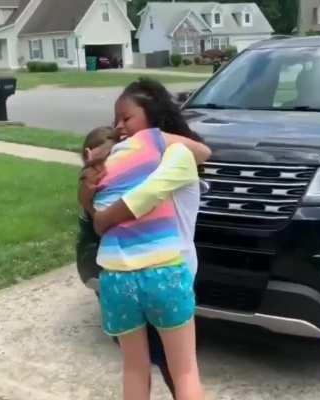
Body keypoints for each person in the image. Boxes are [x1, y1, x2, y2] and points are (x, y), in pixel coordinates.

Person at [78, 78, 210, 400]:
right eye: (115, 122)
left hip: (118, 279)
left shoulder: (157, 157)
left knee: (137, 369)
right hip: (167, 273)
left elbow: (199, 154)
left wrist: (102, 214)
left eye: (127, 119)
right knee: (183, 372)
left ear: (153, 117)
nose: (119, 127)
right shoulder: (160, 154)